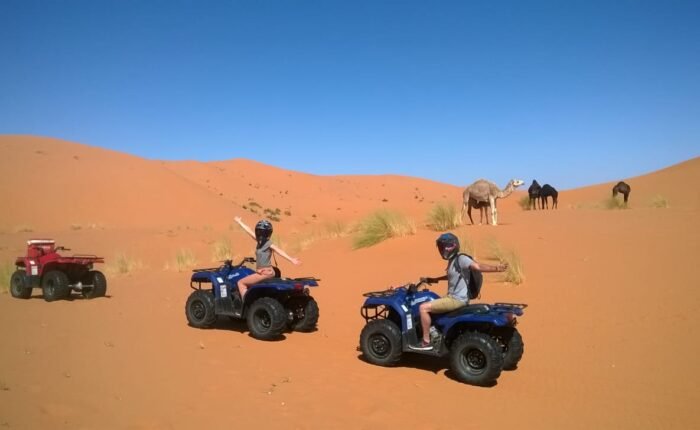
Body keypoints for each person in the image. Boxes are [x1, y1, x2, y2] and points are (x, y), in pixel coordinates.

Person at [410, 232, 508, 351]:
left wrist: (497, 268)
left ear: (451, 246)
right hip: (454, 298)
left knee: (423, 308)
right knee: (433, 309)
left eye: (443, 247)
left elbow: (477, 267)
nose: (441, 250)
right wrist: (434, 279)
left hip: (456, 300)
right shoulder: (453, 261)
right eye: (440, 247)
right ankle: (434, 331)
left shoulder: (461, 258)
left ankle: (425, 342)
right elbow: (453, 276)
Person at [233, 216, 301, 302]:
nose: (261, 234)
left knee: (241, 283)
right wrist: (239, 222)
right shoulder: (259, 241)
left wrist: (291, 259)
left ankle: (247, 305)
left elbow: (279, 251)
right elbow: (248, 231)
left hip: (264, 273)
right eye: (260, 232)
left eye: (263, 232)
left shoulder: (269, 244)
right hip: (268, 272)